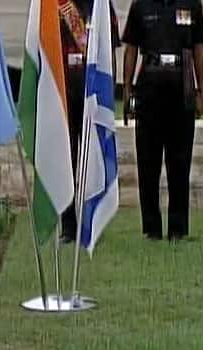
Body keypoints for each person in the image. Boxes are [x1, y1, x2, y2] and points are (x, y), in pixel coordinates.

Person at [121, 0, 203, 241]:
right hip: (149, 83)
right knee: (147, 162)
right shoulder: (140, 5)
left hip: (181, 85)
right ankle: (151, 229)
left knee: (179, 162)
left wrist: (201, 91)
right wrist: (127, 90)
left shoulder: (191, 4)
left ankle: (178, 229)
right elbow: (131, 48)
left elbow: (199, 47)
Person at [60, 0, 122, 242]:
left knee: (94, 159)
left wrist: (111, 92)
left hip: (93, 94)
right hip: (64, 92)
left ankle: (92, 219)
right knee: (68, 161)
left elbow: (110, 49)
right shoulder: (56, 5)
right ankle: (68, 226)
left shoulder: (101, 5)